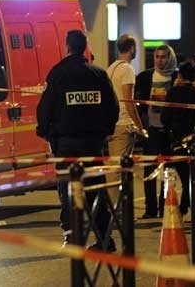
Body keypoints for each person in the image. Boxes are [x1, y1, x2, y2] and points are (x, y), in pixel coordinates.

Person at [37, 30, 119, 249]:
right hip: (93, 143)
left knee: (68, 190)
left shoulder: (58, 74)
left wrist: (44, 131)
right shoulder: (98, 74)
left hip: (67, 144)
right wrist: (106, 130)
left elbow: (45, 109)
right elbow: (113, 107)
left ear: (67, 46)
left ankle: (73, 237)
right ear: (85, 48)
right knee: (95, 191)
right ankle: (104, 239)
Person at [135, 44, 178, 219]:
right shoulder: (145, 77)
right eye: (157, 57)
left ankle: (165, 206)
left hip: (169, 131)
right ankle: (150, 208)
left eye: (163, 57)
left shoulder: (176, 77)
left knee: (168, 169)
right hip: (151, 129)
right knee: (150, 170)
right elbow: (138, 103)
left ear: (170, 58)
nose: (159, 60)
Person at [161, 61, 195, 216]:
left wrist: (168, 133)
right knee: (191, 175)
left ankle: (169, 207)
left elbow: (164, 117)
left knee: (173, 174)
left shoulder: (172, 92)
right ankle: (188, 205)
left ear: (180, 75)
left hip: (174, 138)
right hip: (192, 139)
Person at [106, 34, 146, 204]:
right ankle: (117, 210)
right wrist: (140, 126)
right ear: (131, 48)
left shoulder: (111, 68)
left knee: (115, 167)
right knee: (119, 170)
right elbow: (129, 101)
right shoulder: (127, 70)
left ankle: (116, 208)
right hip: (124, 124)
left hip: (112, 123)